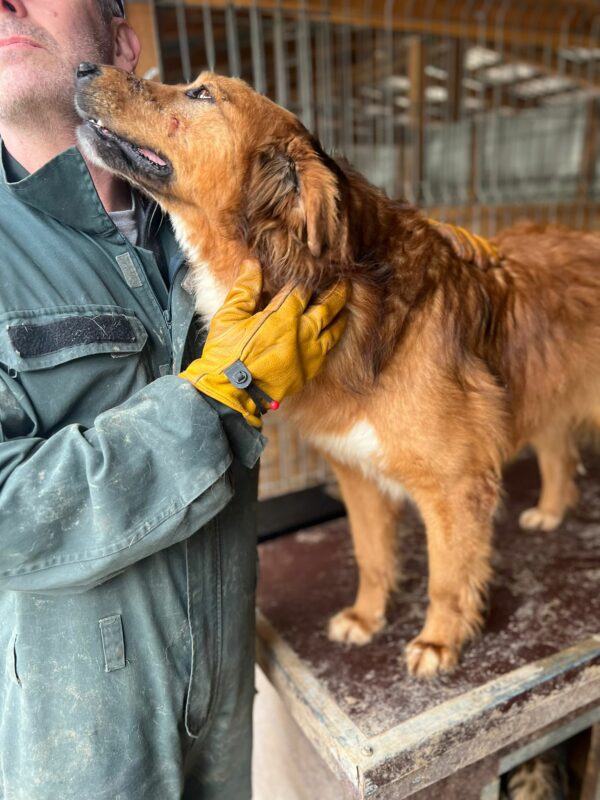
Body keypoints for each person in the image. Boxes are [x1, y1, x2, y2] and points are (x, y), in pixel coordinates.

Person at [0, 1, 347, 798]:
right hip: (80, 750)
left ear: (123, 40)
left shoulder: (211, 222)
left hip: (222, 706)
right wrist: (218, 400)